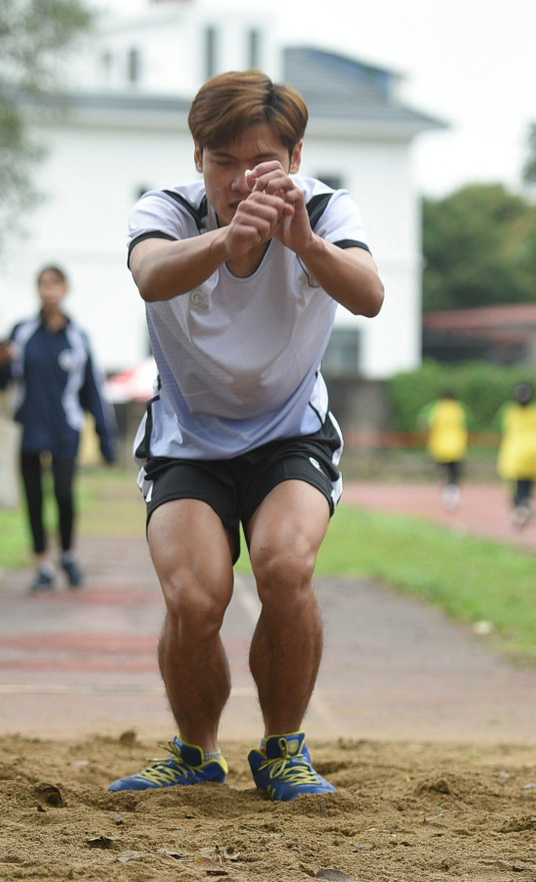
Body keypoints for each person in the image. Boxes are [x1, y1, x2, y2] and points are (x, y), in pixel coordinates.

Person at [109, 70, 383, 801]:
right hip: (187, 440)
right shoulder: (166, 209)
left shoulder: (323, 207)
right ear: (198, 157)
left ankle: (283, 749)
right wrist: (231, 238)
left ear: (292, 158)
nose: (237, 178)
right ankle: (196, 751)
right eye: (220, 160)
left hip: (289, 433)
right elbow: (150, 275)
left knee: (285, 566)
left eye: (257, 161)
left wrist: (305, 245)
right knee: (197, 599)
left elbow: (371, 295)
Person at [0, 265, 117, 592]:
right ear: (37, 289)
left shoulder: (78, 338)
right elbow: (3, 382)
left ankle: (68, 555)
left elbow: (93, 390)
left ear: (65, 289)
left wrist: (106, 437)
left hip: (65, 428)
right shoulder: (22, 332)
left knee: (63, 493)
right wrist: (0, 362)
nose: (49, 290)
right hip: (28, 426)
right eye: (43, 284)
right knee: (34, 498)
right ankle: (42, 564)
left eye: (55, 284)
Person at [496, 383, 536, 529]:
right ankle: (527, 503)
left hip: (514, 454)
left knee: (516, 485)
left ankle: (520, 507)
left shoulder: (508, 411)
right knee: (529, 483)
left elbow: (499, 427)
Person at [418, 389, 471, 510]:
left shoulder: (435, 408)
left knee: (444, 473)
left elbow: (423, 421)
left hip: (440, 447)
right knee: (455, 474)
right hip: (457, 446)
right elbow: (469, 424)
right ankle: (453, 495)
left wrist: (427, 438)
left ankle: (447, 494)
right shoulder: (460, 408)